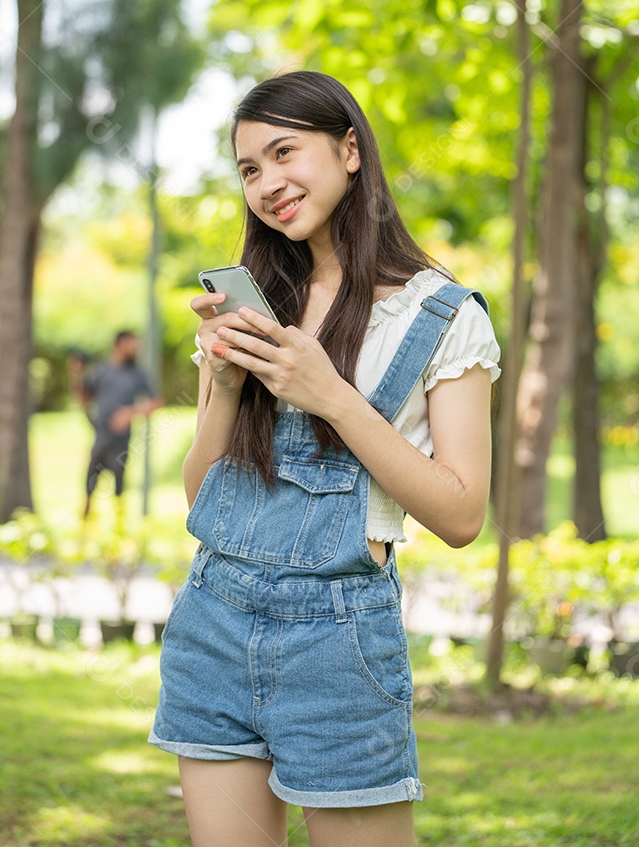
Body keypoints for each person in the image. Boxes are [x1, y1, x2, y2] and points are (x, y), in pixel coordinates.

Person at [148, 71, 501, 847]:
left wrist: (332, 395)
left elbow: (463, 513)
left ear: (348, 150)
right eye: (248, 169)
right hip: (213, 620)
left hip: (338, 646)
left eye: (284, 152)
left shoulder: (441, 316)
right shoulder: (255, 303)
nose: (268, 183)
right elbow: (202, 496)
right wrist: (229, 385)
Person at [70, 330, 163, 520]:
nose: (136, 349)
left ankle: (118, 526)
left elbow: (157, 402)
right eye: (132, 344)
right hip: (100, 437)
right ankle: (86, 524)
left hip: (121, 441)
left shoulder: (137, 374)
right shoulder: (101, 370)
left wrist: (130, 413)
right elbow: (84, 397)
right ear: (119, 344)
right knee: (89, 483)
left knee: (119, 486)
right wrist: (76, 374)